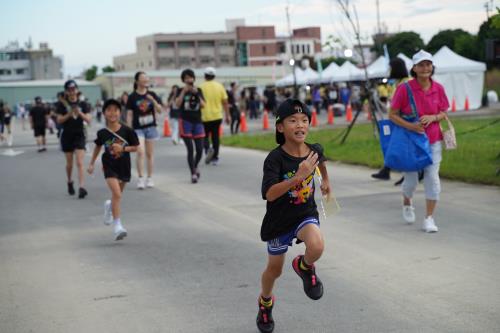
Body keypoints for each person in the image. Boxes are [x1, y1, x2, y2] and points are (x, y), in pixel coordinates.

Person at [256, 99, 331, 333]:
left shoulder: (313, 151)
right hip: (279, 222)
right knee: (274, 270)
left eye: (304, 120)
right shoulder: (275, 159)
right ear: (280, 127)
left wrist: (326, 182)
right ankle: (265, 303)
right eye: (293, 121)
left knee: (317, 246)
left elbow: (321, 162)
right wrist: (298, 177)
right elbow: (269, 194)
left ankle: (304, 266)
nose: (300, 125)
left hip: (304, 214)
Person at [389, 50, 449, 233]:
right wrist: (411, 126)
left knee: (432, 178)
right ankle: (407, 201)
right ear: (414, 68)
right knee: (411, 180)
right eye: (421, 65)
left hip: (433, 141)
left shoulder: (438, 88)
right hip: (411, 142)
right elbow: (392, 115)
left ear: (432, 67)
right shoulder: (404, 89)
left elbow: (444, 112)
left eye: (428, 64)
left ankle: (429, 218)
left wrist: (433, 117)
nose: (425, 68)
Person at [87, 99, 139, 241]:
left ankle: (109, 206)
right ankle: (118, 227)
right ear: (104, 113)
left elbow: (136, 147)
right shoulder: (102, 133)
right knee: (117, 193)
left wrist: (123, 148)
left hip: (124, 165)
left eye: (115, 110)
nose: (112, 113)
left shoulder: (127, 130)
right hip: (109, 165)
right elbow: (98, 146)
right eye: (109, 110)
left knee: (117, 196)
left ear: (119, 112)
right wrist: (91, 163)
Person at [372, 57, 410, 181]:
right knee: (394, 146)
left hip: (403, 121)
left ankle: (406, 173)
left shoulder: (405, 83)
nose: (389, 70)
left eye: (390, 67)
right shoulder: (398, 83)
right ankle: (388, 170)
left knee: (396, 147)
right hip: (397, 120)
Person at [126, 71, 163, 189]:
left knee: (149, 154)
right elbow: (129, 114)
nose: (146, 80)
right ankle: (141, 178)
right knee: (140, 151)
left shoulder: (152, 94)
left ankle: (150, 178)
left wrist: (153, 101)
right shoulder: (132, 97)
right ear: (137, 81)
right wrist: (128, 129)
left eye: (147, 78)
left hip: (150, 127)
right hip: (138, 128)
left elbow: (159, 110)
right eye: (143, 79)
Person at [56, 80, 92, 198]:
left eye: (73, 89)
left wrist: (79, 113)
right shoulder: (62, 104)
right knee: (69, 164)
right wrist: (69, 113)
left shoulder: (83, 103)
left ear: (77, 89)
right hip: (67, 135)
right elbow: (59, 120)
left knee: (80, 162)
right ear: (66, 91)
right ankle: (70, 181)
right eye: (69, 90)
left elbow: (88, 120)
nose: (72, 92)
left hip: (79, 135)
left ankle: (81, 187)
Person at [176, 69, 206, 183]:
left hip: (197, 121)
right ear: (183, 80)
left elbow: (203, 105)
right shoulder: (180, 90)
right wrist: (183, 92)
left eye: (190, 77)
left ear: (194, 78)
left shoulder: (199, 90)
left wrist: (196, 93)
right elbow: (177, 104)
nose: (189, 80)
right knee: (190, 149)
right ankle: (193, 173)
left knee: (199, 149)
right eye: (186, 78)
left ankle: (195, 165)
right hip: (185, 121)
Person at [199, 67, 230, 165]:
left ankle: (208, 150)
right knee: (215, 137)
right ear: (214, 76)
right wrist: (227, 115)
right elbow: (225, 102)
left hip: (204, 117)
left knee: (204, 136)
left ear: (205, 76)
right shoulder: (219, 86)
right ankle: (215, 158)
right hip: (217, 116)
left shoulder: (200, 87)